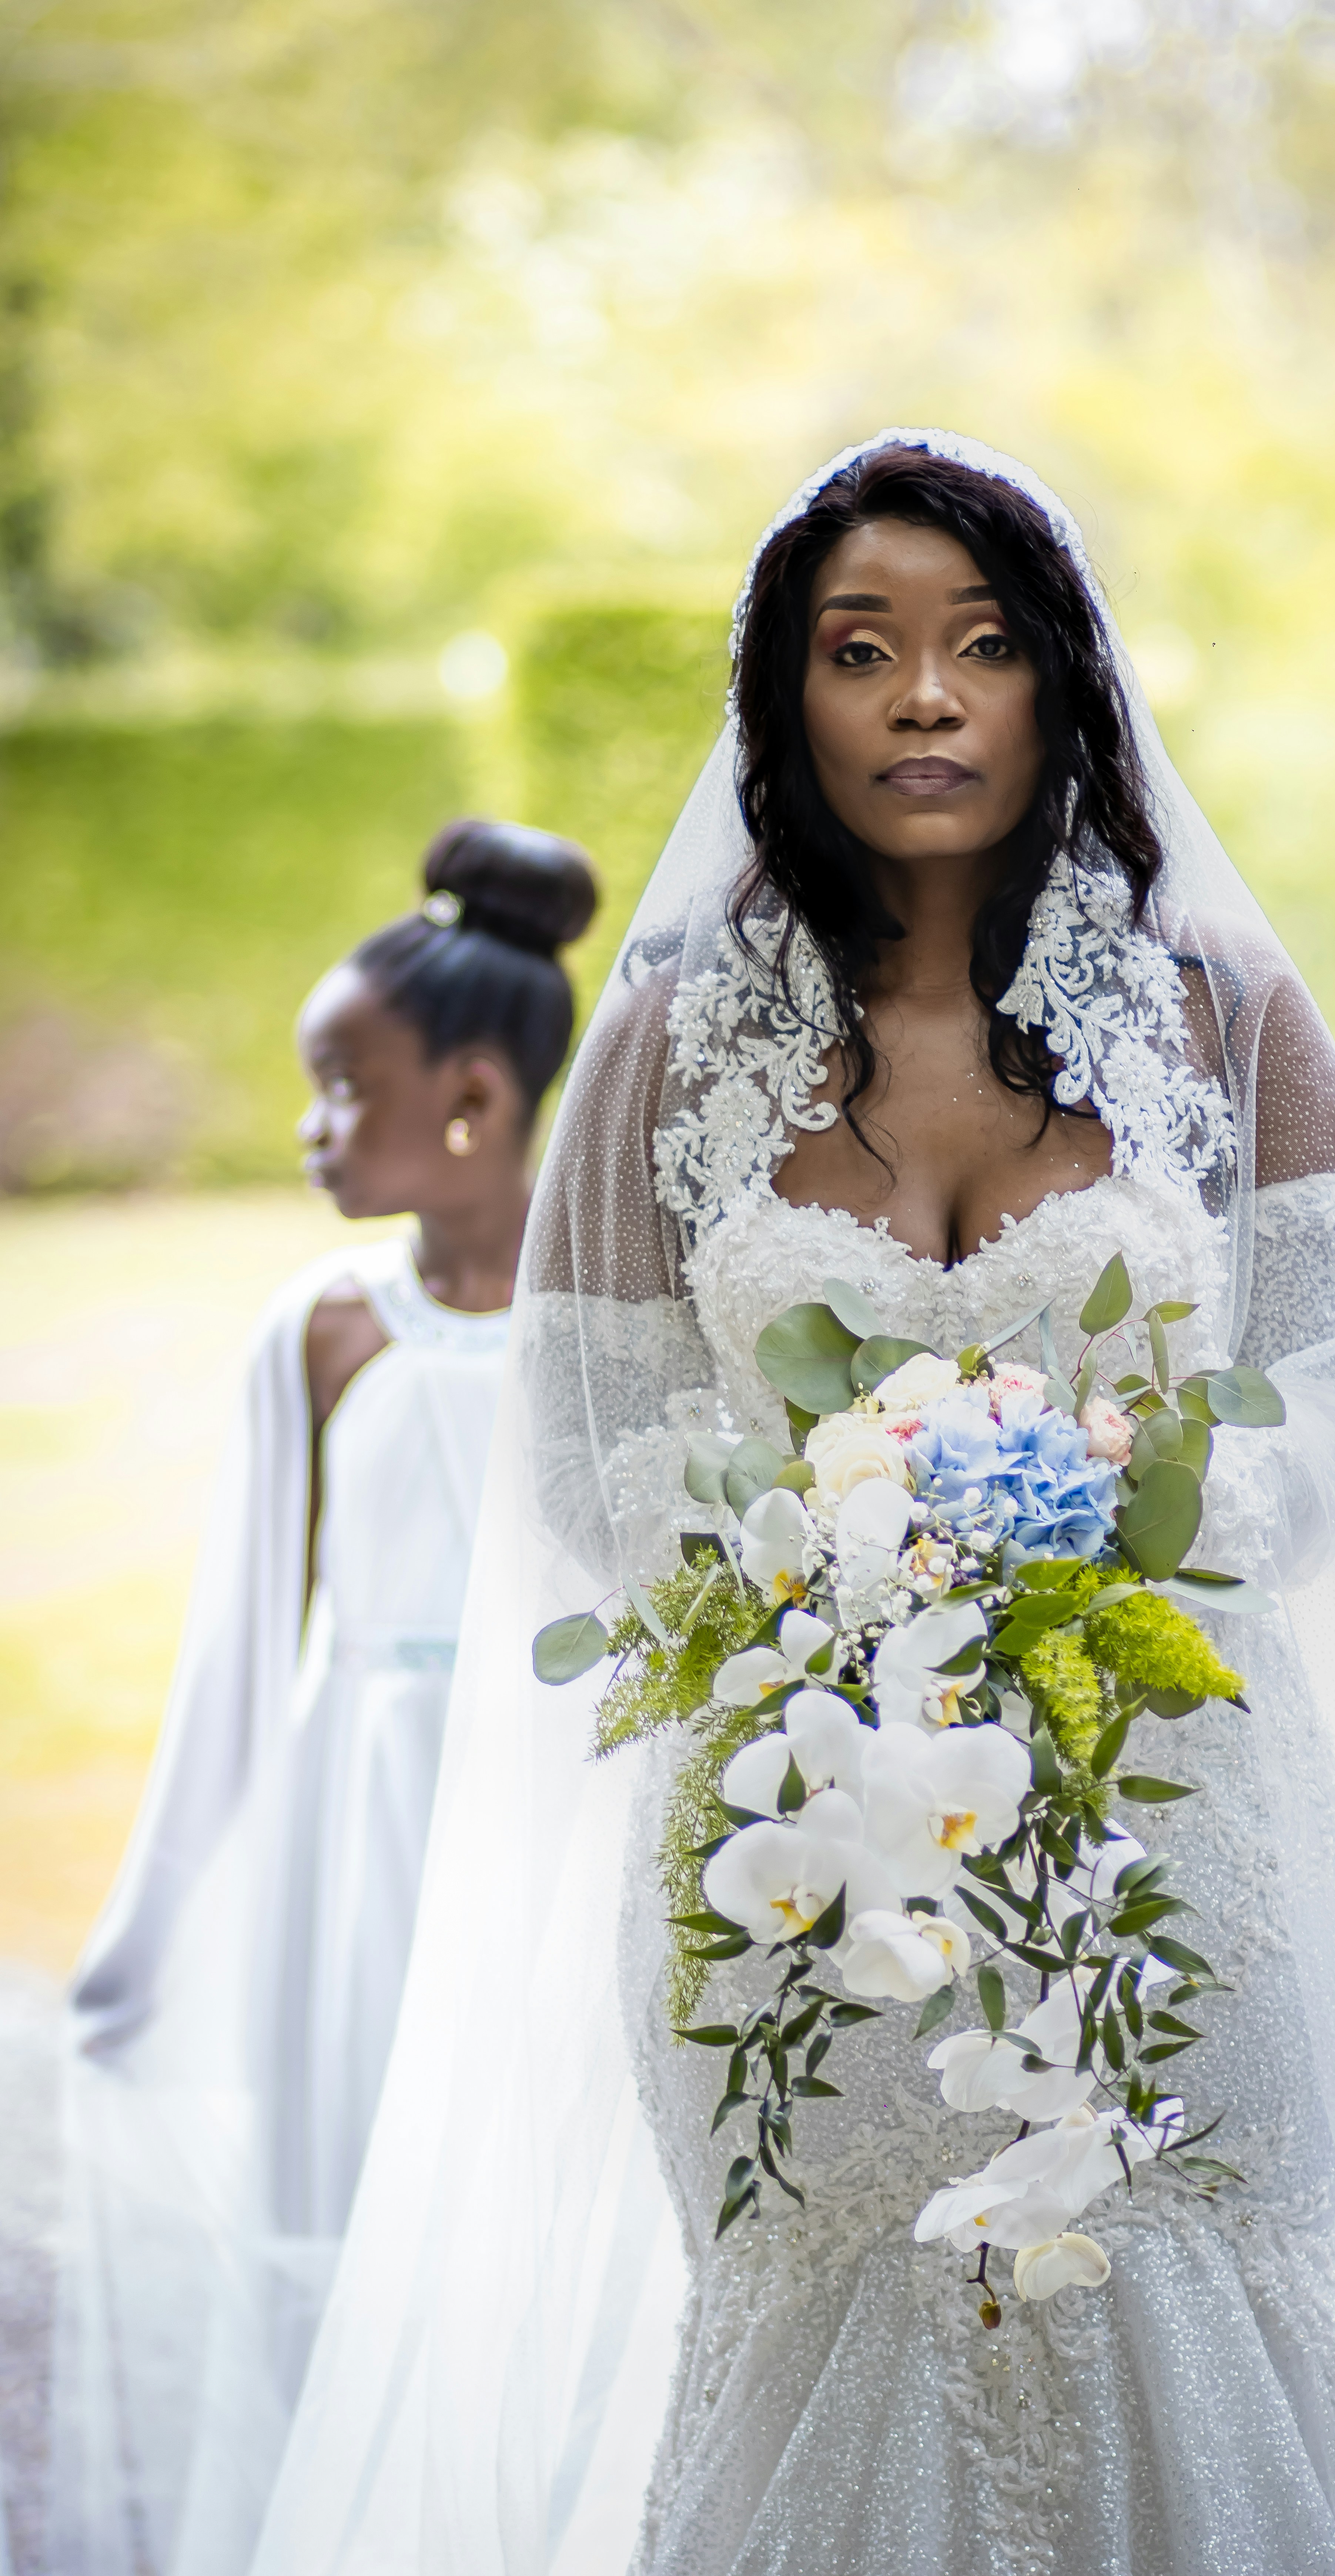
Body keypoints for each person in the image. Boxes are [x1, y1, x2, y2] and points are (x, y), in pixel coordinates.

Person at [254, 436, 1335, 2576]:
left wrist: (1130, 1522)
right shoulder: (664, 1047)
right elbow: (583, 1438)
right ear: (788, 700)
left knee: (1191, 2295)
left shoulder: (1218, 1014)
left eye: (981, 645)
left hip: (1183, 1814)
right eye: (863, 653)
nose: (926, 698)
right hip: (793, 1836)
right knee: (830, 2312)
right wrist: (835, 1551)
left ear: (1058, 685)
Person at [51, 819, 596, 2576]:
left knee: (530, 2223)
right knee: (340, 2213)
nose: (308, 1130)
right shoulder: (323, 1336)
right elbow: (238, 1655)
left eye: (337, 1087)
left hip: (542, 1835)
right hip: (347, 1841)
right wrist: (145, 1937)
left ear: (472, 1093)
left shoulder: (606, 1333)